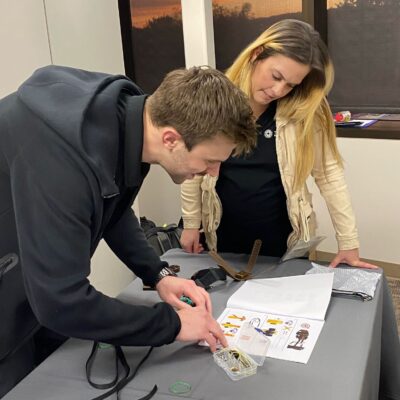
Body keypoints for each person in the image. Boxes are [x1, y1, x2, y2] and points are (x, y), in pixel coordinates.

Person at [0, 64, 257, 395]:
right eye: (209, 161)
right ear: (171, 139)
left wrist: (158, 274)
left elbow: (113, 208)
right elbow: (61, 302)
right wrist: (173, 324)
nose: (213, 172)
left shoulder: (129, 119)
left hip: (33, 275)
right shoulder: (64, 160)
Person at [180, 19, 376, 269]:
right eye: (276, 76)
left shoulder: (306, 112)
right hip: (221, 237)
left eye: (291, 85)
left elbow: (329, 176)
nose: (278, 90)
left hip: (283, 243)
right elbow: (193, 169)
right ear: (257, 54)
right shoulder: (214, 101)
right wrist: (190, 223)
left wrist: (349, 243)